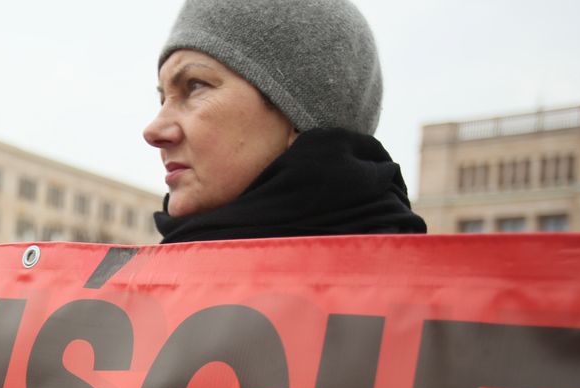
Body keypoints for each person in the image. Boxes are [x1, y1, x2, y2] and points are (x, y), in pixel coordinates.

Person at [143, 0, 427, 243]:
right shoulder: (137, 289)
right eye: (162, 99)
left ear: (297, 115)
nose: (154, 131)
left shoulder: (424, 297)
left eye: (195, 86)